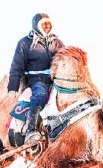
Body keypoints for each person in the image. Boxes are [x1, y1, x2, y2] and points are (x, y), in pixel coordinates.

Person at [7, 13, 65, 145]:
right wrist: (13, 86)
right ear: (36, 25)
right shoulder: (25, 43)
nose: (47, 26)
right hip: (37, 79)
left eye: (49, 24)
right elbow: (16, 66)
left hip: (56, 78)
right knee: (41, 94)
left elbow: (65, 59)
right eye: (43, 24)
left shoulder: (57, 42)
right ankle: (30, 130)